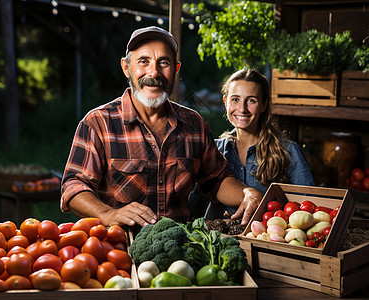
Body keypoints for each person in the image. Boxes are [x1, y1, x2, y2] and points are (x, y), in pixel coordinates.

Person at [60, 26, 262, 228]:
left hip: (179, 252)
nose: (154, 72)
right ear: (126, 68)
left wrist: (246, 192)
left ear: (175, 69)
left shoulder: (194, 125)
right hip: (119, 251)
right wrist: (109, 215)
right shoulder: (99, 123)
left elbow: (217, 180)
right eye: (143, 61)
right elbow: (73, 186)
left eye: (163, 63)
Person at [202, 68, 315, 219]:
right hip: (219, 240)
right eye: (235, 99)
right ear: (225, 102)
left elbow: (307, 209)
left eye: (251, 100)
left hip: (265, 240)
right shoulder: (214, 150)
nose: (242, 109)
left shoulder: (288, 151)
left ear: (263, 104)